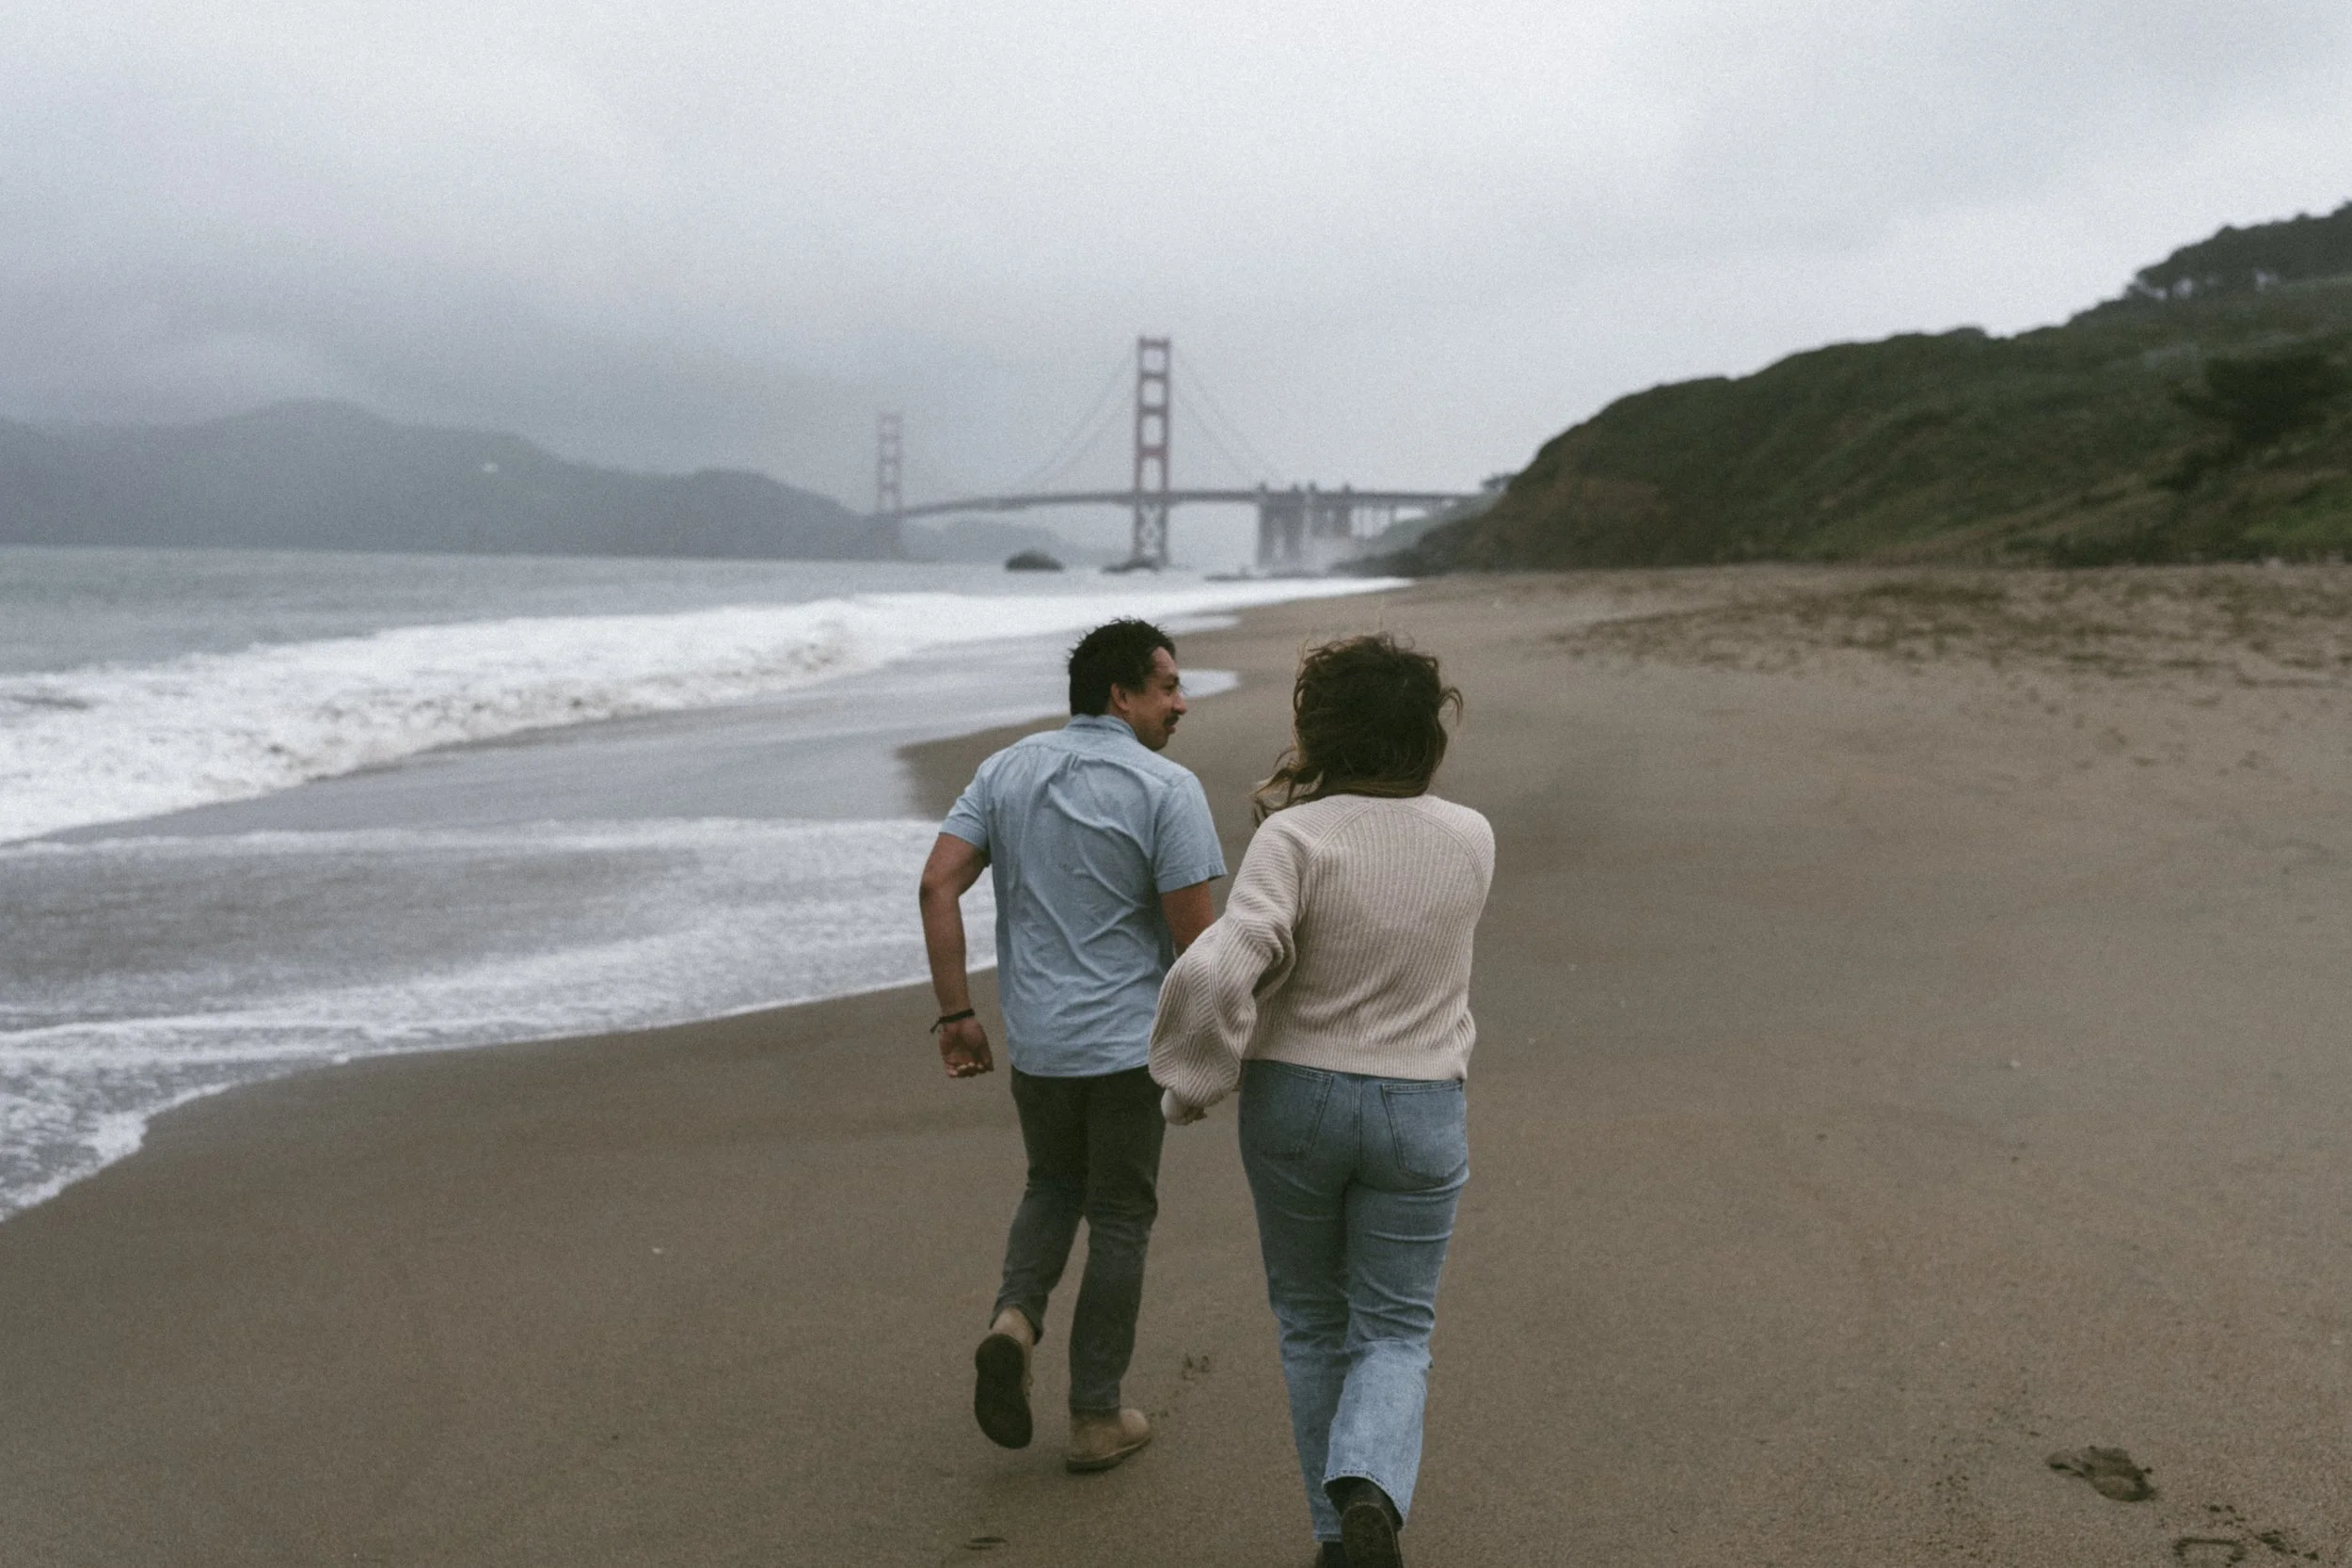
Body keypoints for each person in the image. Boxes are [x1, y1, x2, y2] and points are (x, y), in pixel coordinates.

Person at [1150, 635, 1492, 1568]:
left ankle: (1336, 1531)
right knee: (1395, 1324)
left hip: (1295, 1097)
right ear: (1426, 729)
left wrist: (1191, 1079)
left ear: (1322, 728)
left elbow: (1224, 959)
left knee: (1309, 1317)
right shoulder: (1470, 834)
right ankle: (1369, 1483)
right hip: (1421, 1101)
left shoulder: (1292, 837)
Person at [918, 617, 1226, 1474]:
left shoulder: (1006, 770)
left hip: (1042, 1045)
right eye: (1167, 685)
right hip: (1130, 1049)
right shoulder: (1168, 789)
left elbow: (936, 881)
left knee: (1052, 1183)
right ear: (1120, 694)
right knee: (1121, 1218)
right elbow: (1200, 952)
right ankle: (1094, 1417)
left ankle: (1014, 1324)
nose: (1181, 702)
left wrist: (956, 1014)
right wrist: (1208, 1059)